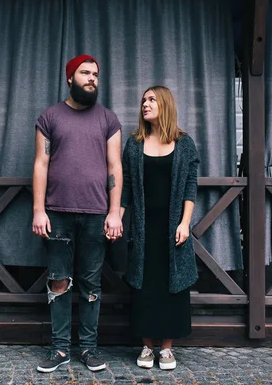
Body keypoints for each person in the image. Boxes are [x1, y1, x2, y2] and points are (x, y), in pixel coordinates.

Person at [32, 54, 123, 373]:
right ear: (70, 77)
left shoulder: (108, 119)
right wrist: (38, 209)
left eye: (96, 74)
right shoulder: (50, 116)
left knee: (91, 284)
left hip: (97, 214)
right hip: (56, 213)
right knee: (58, 281)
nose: (92, 79)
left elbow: (115, 166)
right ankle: (59, 350)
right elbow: (41, 164)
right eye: (85, 73)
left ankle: (88, 348)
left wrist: (115, 212)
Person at [120, 85, 200, 370]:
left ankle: (166, 348)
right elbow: (126, 186)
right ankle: (146, 345)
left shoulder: (184, 142)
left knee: (172, 285)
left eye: (152, 99)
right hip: (143, 226)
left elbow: (191, 185)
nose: (145, 104)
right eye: (143, 100)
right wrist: (117, 217)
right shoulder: (134, 143)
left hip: (173, 226)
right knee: (145, 285)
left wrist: (185, 223)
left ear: (165, 104)